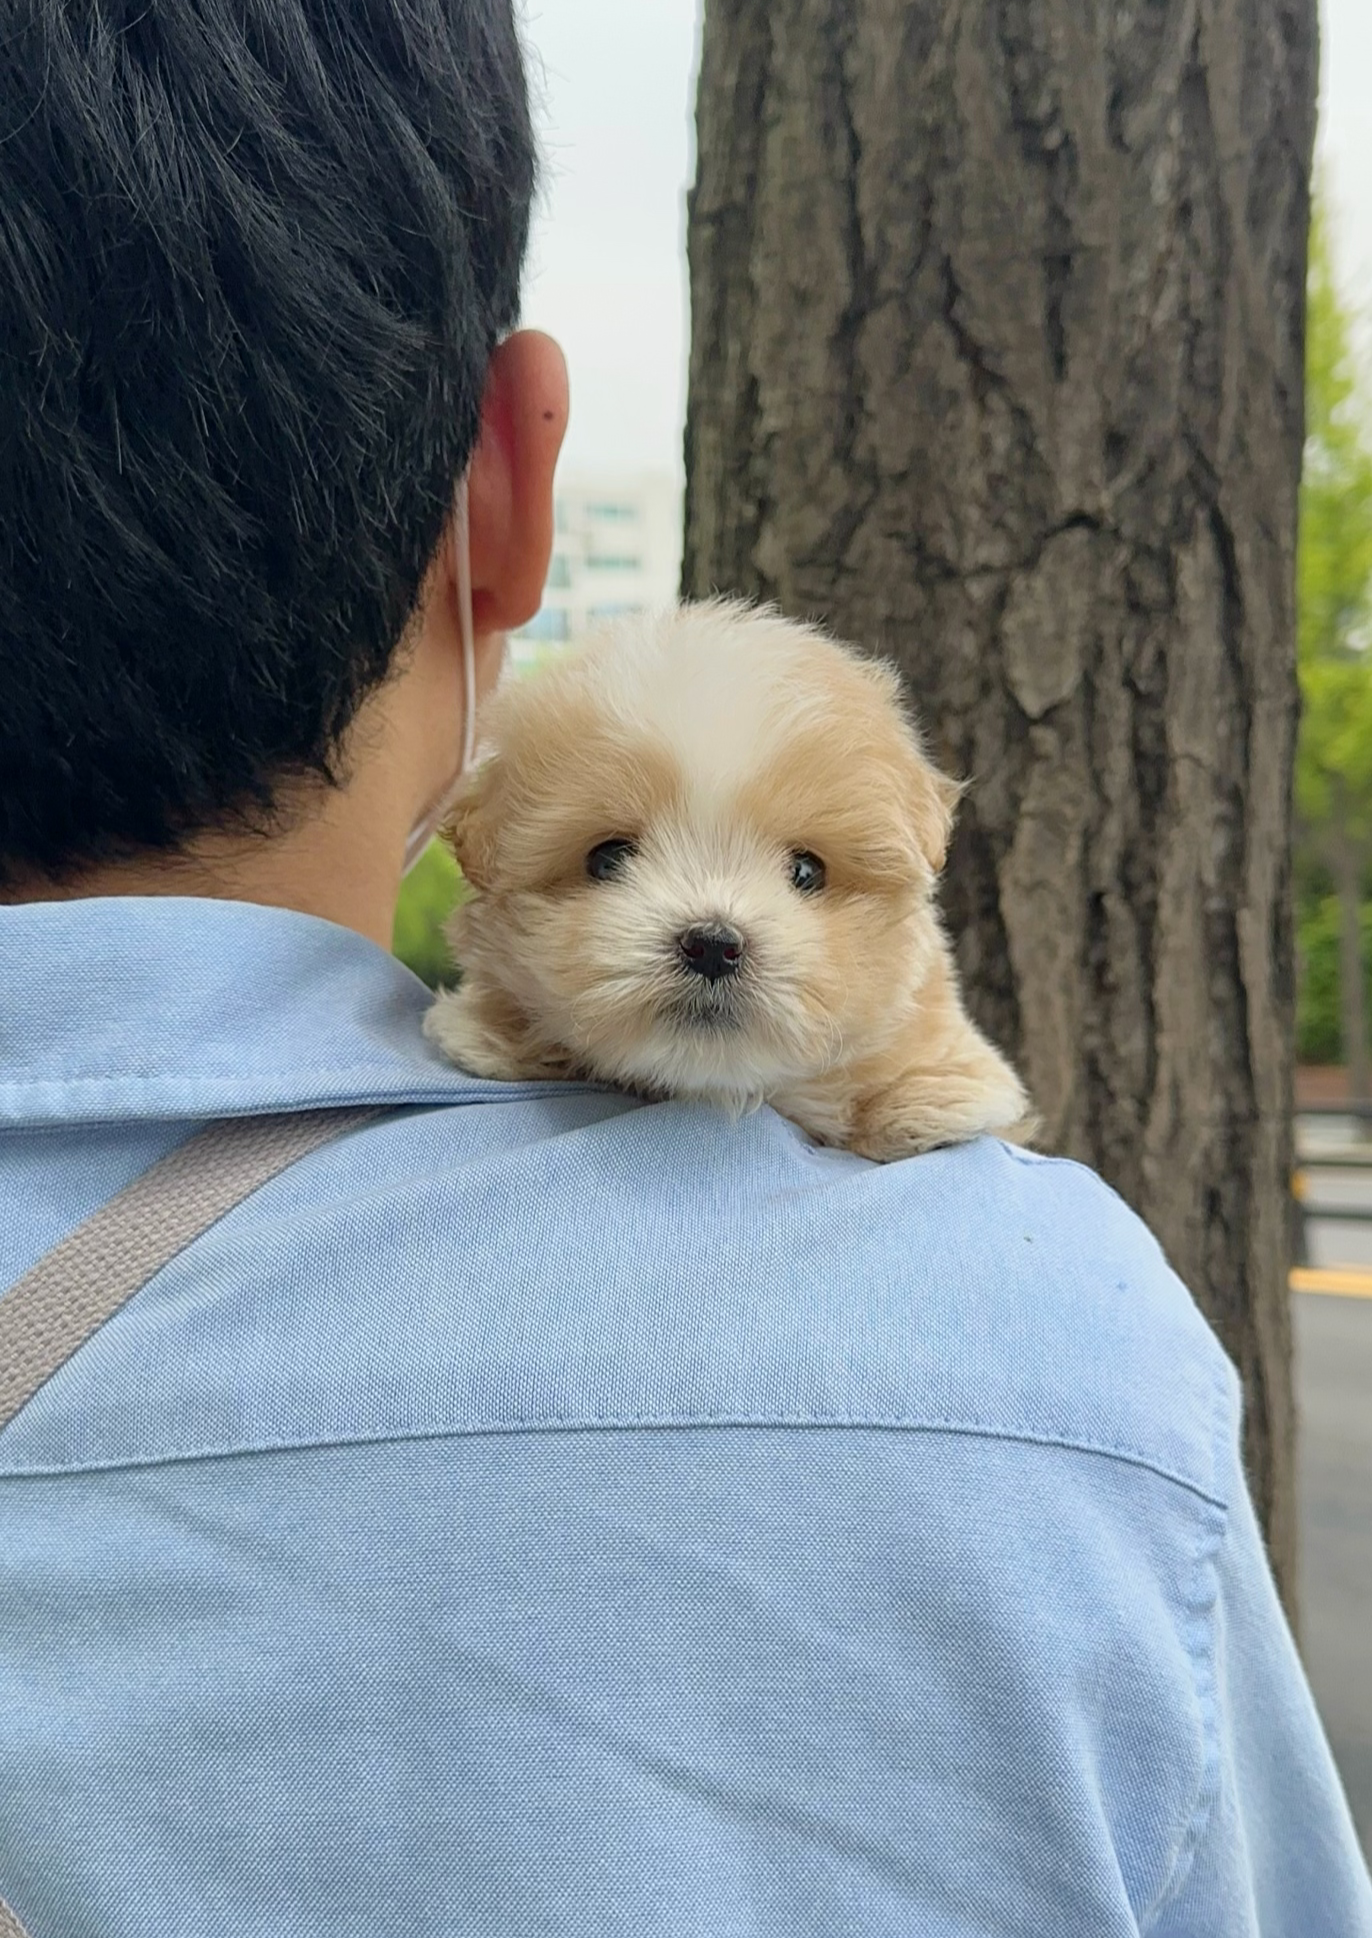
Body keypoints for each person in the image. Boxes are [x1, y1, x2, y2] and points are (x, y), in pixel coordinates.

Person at [0, 4, 1368, 1933]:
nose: (716, 919)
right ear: (507, 491)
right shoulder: (1036, 1357)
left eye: (802, 870)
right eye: (617, 856)